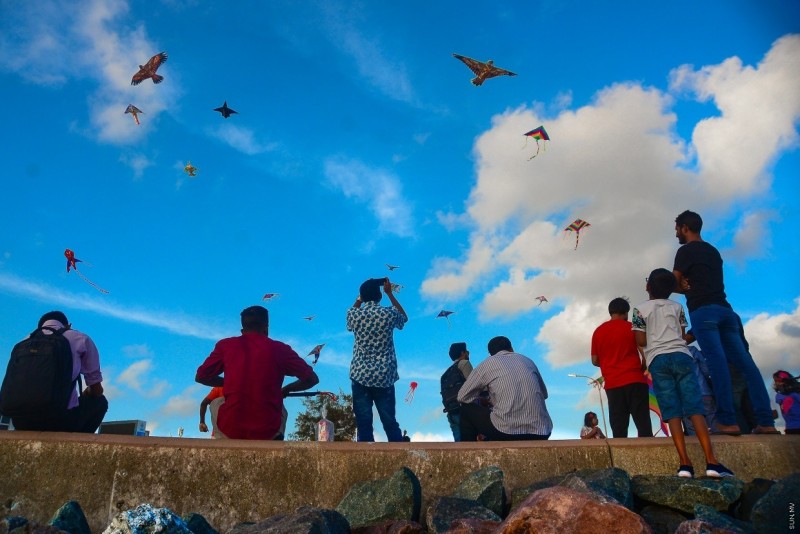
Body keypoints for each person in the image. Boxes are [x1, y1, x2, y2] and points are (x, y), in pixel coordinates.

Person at [672, 210, 778, 435]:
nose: (676, 234)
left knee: (717, 364)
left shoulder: (685, 251)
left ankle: (727, 420)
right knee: (747, 366)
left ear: (684, 228)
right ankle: (766, 420)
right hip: (726, 311)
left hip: (703, 311)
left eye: (677, 229)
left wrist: (681, 287)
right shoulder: (713, 251)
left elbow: (673, 282)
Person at [632, 268, 733, 478]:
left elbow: (641, 341)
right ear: (671, 289)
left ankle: (685, 464)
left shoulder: (639, 310)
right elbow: (680, 333)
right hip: (682, 356)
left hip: (658, 360)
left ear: (648, 286)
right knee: (695, 408)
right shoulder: (677, 307)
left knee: (673, 412)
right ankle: (712, 462)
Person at [195, 305, 319, 440]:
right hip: (267, 431)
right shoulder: (281, 349)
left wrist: (232, 382)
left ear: (242, 330)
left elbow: (201, 376)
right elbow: (312, 379)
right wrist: (287, 389)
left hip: (230, 429)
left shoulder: (225, 346)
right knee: (281, 408)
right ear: (266, 328)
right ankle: (275, 442)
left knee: (216, 402)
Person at [10, 311, 108, 433]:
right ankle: (78, 444)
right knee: (100, 402)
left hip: (20, 421)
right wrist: (87, 392)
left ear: (40, 327)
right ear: (68, 325)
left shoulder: (22, 342)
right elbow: (97, 390)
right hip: (60, 421)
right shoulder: (80, 338)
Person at [346, 277, 408, 442]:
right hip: (384, 376)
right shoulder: (388, 313)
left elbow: (349, 320)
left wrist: (360, 298)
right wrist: (390, 294)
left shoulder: (354, 314)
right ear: (379, 295)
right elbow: (404, 317)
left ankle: (364, 460)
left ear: (362, 296)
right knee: (390, 422)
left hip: (360, 374)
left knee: (363, 423)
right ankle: (399, 457)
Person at [457, 336, 552, 441]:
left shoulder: (487, 364)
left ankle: (469, 452)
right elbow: (544, 395)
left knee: (466, 410)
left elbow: (462, 397)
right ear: (511, 349)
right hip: (542, 431)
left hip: (506, 431)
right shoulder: (528, 361)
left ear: (491, 354)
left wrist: (484, 400)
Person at [591, 297, 653, 438]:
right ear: (625, 313)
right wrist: (642, 367)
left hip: (613, 384)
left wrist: (609, 363)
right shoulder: (631, 327)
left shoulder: (598, 331)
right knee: (643, 423)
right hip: (635, 380)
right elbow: (645, 352)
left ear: (610, 312)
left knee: (618, 427)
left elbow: (594, 360)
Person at [442, 342, 473, 441]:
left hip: (451, 412)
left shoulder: (446, 373)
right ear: (462, 353)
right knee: (472, 445)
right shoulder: (464, 363)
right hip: (465, 411)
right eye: (466, 351)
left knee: (460, 446)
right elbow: (473, 384)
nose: (468, 353)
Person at [773, 370, 800, 434]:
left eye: (779, 381)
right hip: (790, 428)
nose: (777, 383)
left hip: (791, 427)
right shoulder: (779, 396)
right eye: (775, 381)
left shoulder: (781, 396)